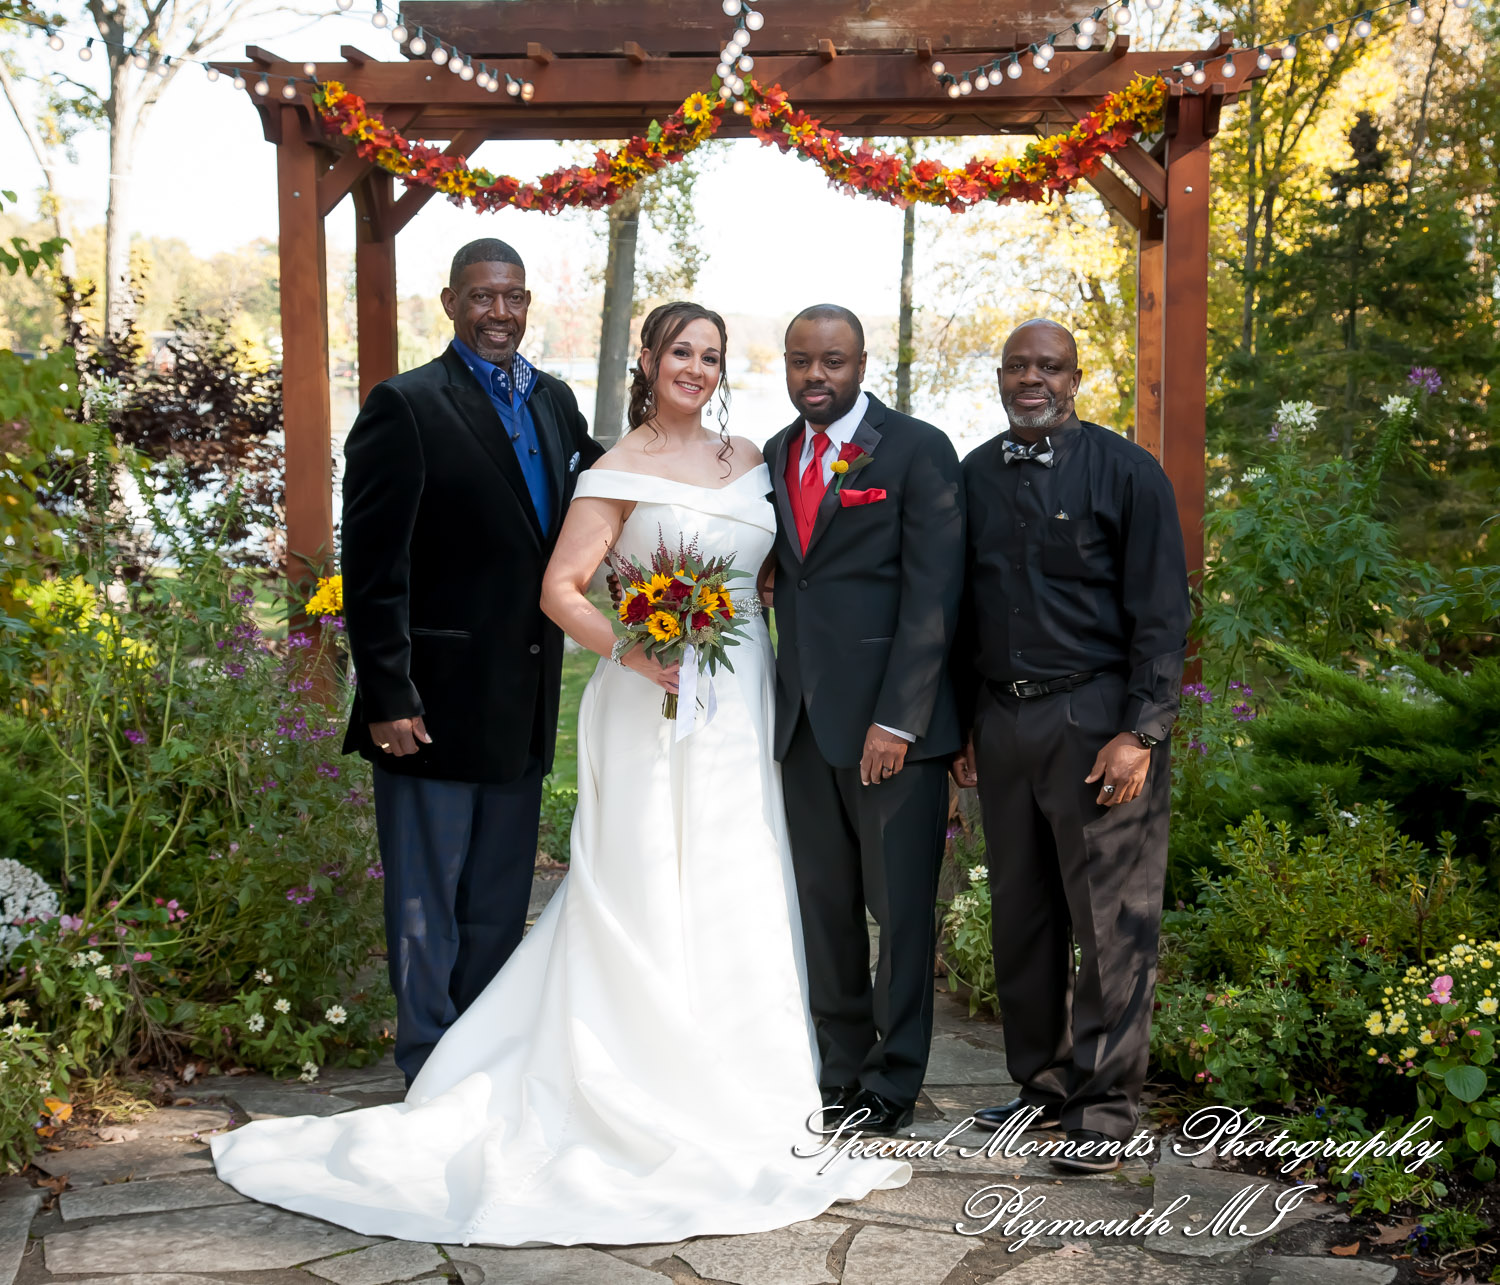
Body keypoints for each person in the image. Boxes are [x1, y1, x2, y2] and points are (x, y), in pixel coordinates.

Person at [210, 301, 908, 1246]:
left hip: (740, 701)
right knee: (646, 879)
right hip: (648, 691)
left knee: (737, 873)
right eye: (680, 353)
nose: (695, 369)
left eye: (710, 355)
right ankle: (633, 1072)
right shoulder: (611, 467)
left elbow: (780, 566)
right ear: (650, 361)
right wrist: (633, 647)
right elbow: (559, 588)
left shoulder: (750, 459)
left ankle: (745, 1075)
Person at [334, 237, 604, 1086]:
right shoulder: (405, 405)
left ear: (528, 305)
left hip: (522, 702)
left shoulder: (555, 403)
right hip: (430, 704)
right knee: (427, 907)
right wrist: (387, 689)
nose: (500, 313)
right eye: (483, 297)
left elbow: (610, 490)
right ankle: (426, 1069)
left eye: (514, 297)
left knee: (495, 905)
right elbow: (373, 566)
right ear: (450, 303)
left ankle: (480, 1067)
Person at [951, 318, 1189, 1173]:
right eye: (1016, 364)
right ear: (1000, 374)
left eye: (1047, 365)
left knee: (1113, 920)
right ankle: (1042, 1084)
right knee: (1022, 915)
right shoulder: (973, 475)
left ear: (1076, 377)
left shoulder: (1128, 472)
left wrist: (1142, 729)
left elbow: (1163, 611)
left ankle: (1109, 1107)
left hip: (1097, 725)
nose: (1030, 378)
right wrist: (963, 725)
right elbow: (959, 614)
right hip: (1004, 723)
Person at [762, 305, 965, 1138]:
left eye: (833, 360)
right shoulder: (776, 454)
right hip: (803, 724)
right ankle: (839, 1069)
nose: (817, 374)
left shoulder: (917, 450)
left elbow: (934, 595)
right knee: (827, 909)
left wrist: (900, 721)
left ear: (861, 363)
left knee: (901, 910)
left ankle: (894, 1077)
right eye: (802, 360)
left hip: (892, 732)